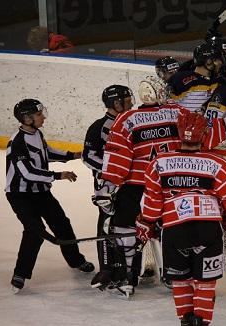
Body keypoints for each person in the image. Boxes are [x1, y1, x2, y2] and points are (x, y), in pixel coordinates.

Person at [99, 77, 226, 297]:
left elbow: (117, 158)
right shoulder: (177, 112)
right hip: (168, 184)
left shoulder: (126, 119)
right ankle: (173, 276)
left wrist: (108, 187)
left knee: (125, 231)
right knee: (169, 230)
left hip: (135, 187)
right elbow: (203, 134)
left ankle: (127, 279)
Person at [137, 111, 226, 326]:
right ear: (204, 134)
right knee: (205, 283)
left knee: (180, 281)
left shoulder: (159, 162)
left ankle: (185, 322)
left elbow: (152, 202)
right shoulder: (218, 164)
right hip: (208, 231)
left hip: (174, 233)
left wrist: (147, 222)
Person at [5, 99, 94, 293]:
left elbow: (46, 153)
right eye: (39, 115)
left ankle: (76, 261)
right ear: (27, 119)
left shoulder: (36, 133)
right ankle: (20, 273)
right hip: (20, 195)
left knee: (62, 224)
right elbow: (27, 172)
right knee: (34, 231)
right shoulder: (17, 143)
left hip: (41, 192)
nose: (43, 117)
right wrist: (58, 176)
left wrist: (73, 155)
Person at [82, 85, 133, 290]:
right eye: (127, 101)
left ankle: (127, 269)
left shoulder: (132, 122)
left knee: (128, 225)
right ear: (116, 103)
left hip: (131, 185)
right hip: (108, 187)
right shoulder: (99, 127)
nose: (131, 104)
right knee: (106, 224)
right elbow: (88, 157)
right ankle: (106, 268)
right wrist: (113, 170)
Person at [167, 42, 224, 112]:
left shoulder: (219, 81)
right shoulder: (179, 79)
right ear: (208, 61)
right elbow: (167, 104)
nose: (220, 63)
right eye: (216, 60)